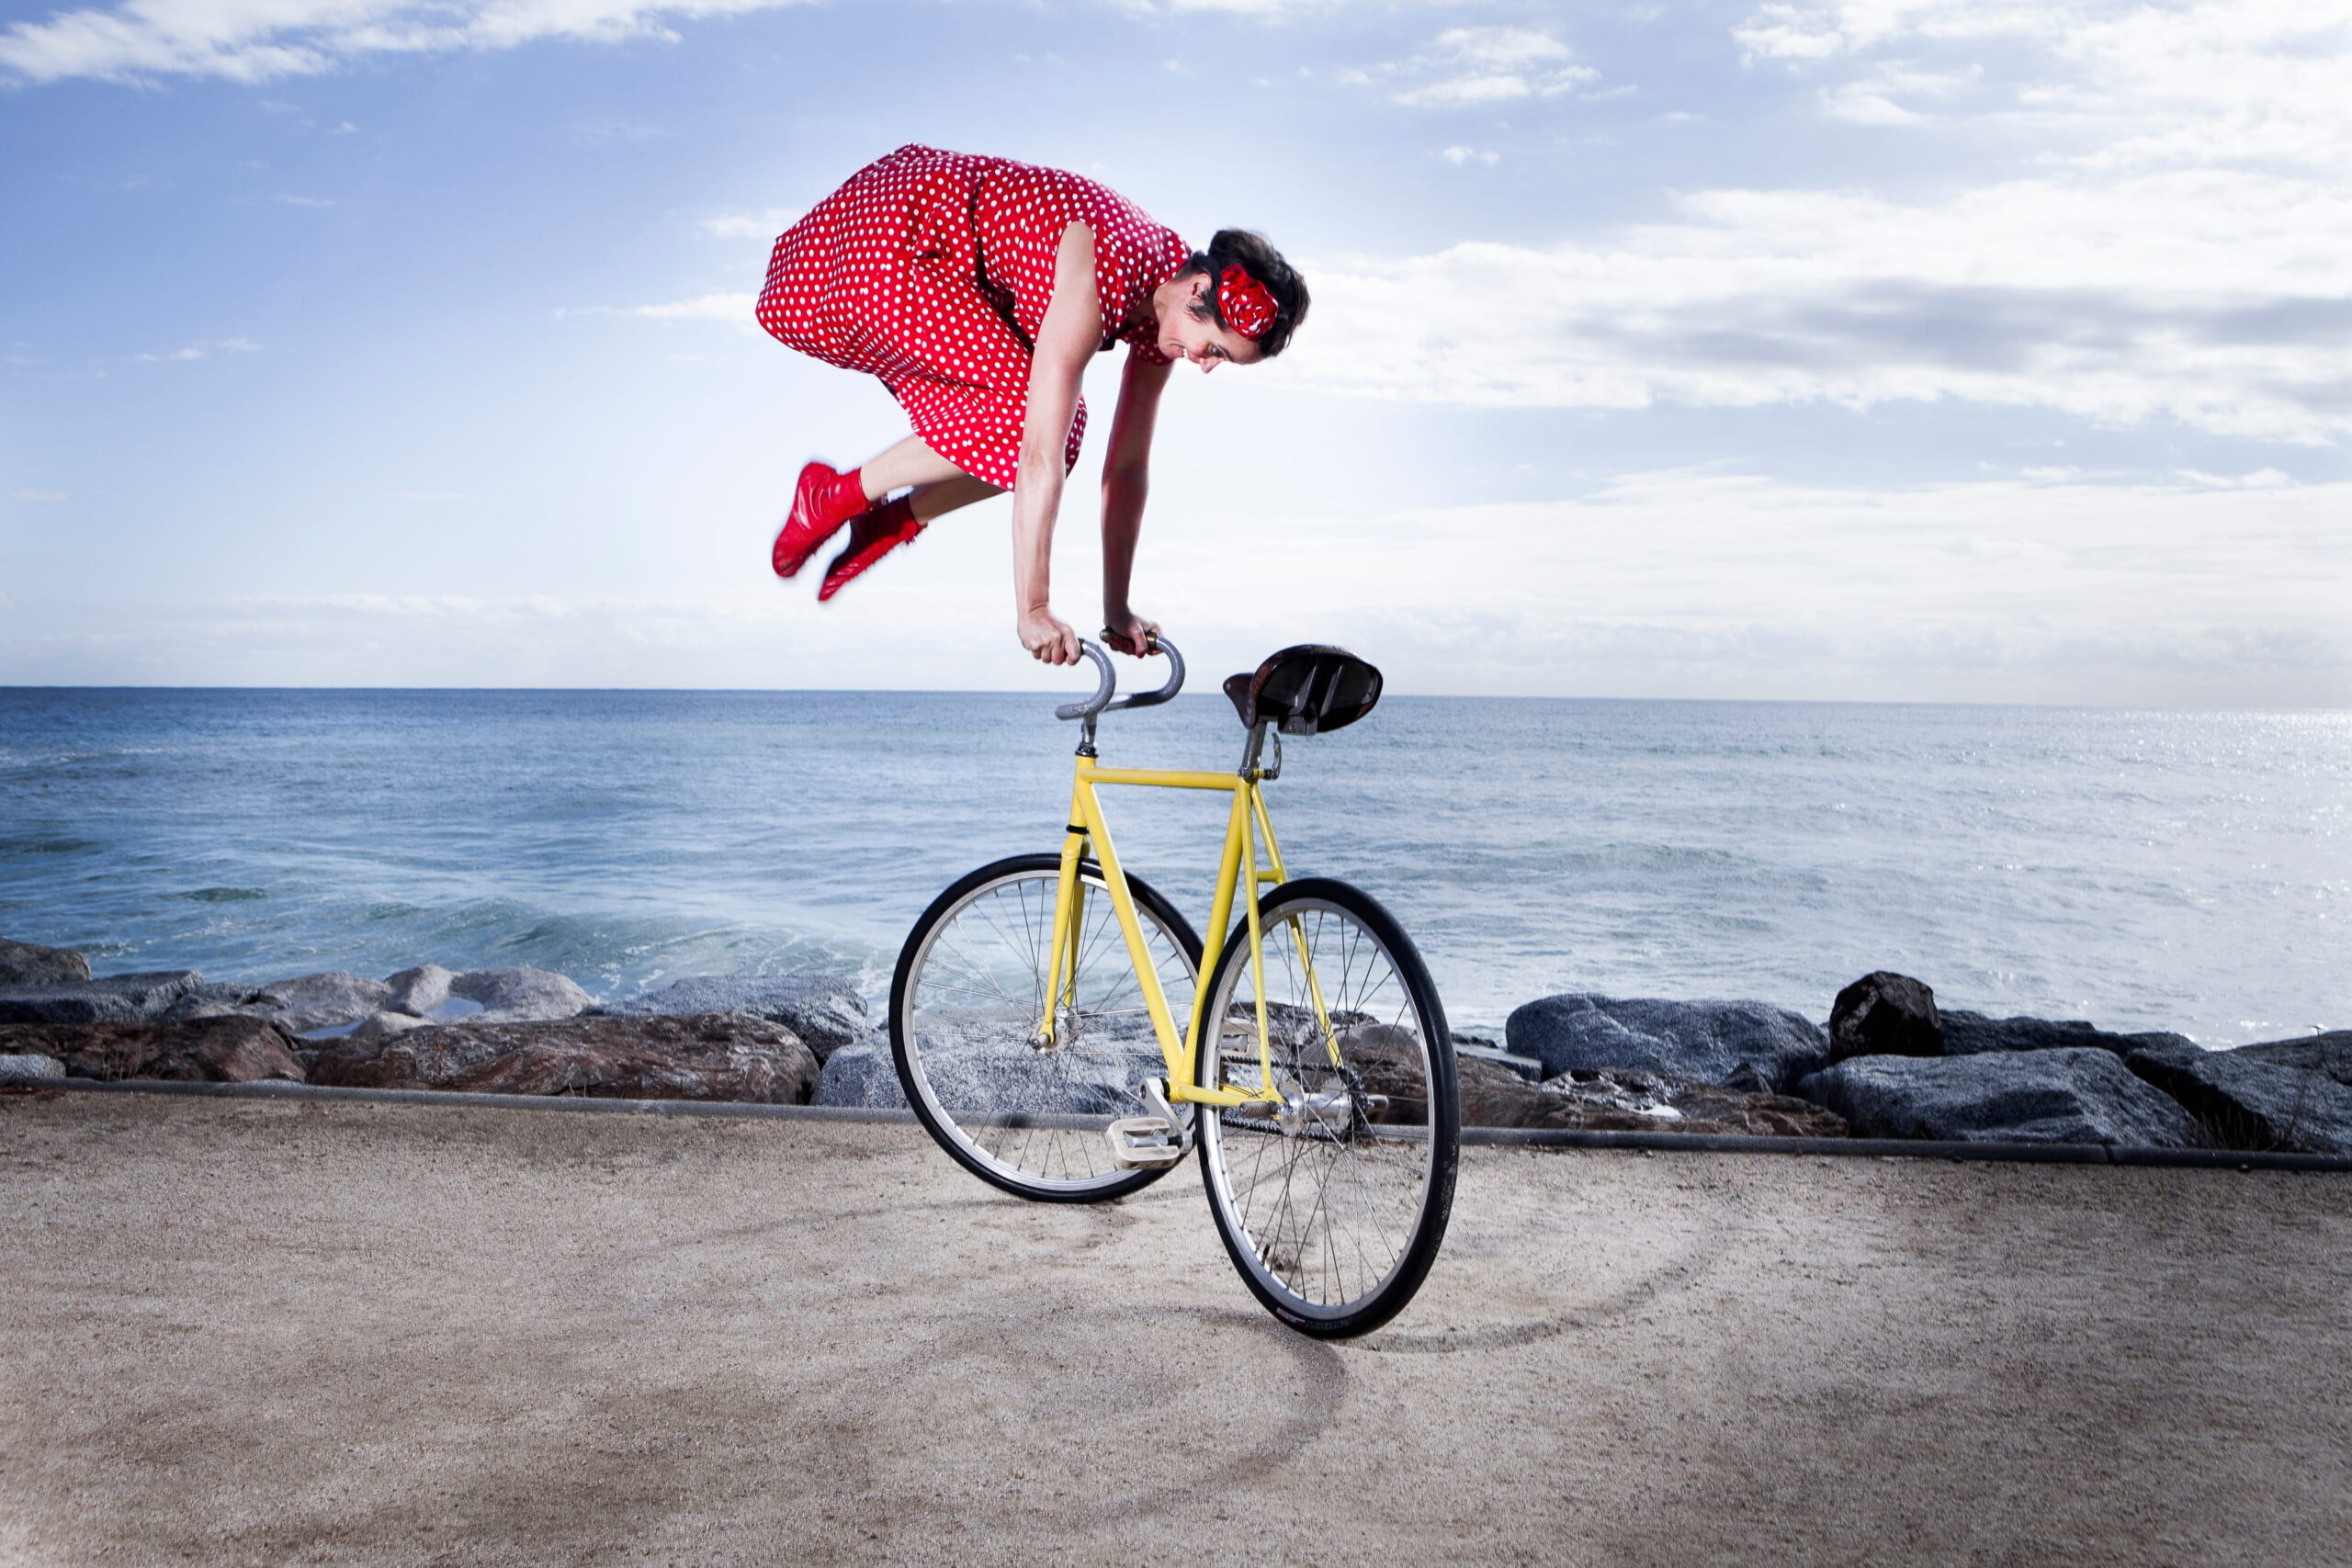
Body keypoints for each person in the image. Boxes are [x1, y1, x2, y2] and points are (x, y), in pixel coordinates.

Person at [755, 143, 1308, 666]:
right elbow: (1039, 453)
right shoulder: (1108, 266)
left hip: (944, 268)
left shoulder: (1159, 305)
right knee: (1045, 427)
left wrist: (1116, 609)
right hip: (891, 236)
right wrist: (1034, 608)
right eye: (1214, 349)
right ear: (1197, 294)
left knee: (1053, 429)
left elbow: (1127, 470)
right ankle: (831, 496)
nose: (1206, 364)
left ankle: (892, 520)